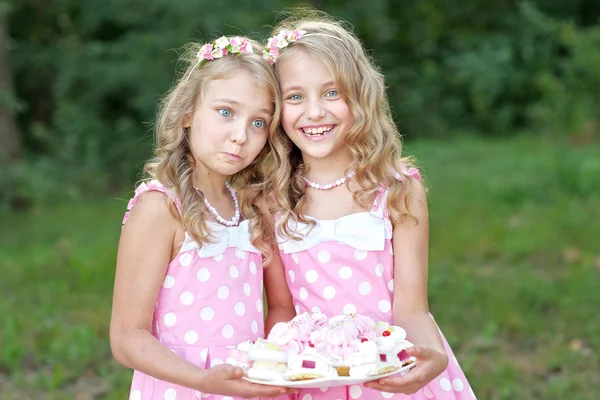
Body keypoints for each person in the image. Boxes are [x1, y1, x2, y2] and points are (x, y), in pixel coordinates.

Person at [262, 12, 477, 400]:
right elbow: (281, 308)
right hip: (313, 380)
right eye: (295, 97)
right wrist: (278, 377)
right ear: (276, 110)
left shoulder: (397, 190)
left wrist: (433, 360)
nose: (314, 112)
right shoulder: (273, 201)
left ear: (359, 97)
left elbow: (411, 307)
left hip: (390, 372)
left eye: (331, 93)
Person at [110, 35, 296, 400]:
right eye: (225, 112)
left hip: (247, 387)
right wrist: (202, 381)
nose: (240, 136)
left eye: (259, 122)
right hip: (182, 388)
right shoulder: (161, 207)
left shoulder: (253, 207)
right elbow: (127, 337)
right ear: (187, 113)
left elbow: (279, 306)